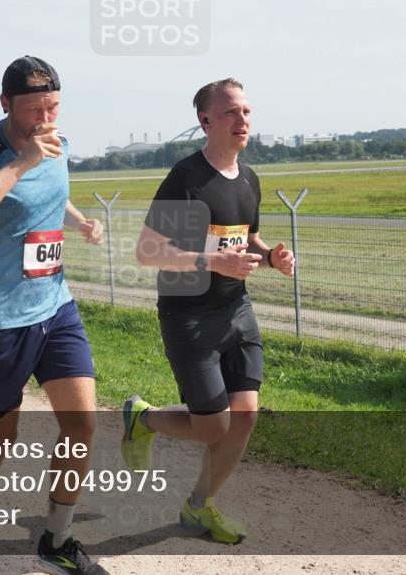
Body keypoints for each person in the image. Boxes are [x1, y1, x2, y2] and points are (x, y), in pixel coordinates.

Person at [0, 55, 108, 575]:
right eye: (35, 109)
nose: (46, 119)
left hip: (55, 304)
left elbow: (49, 198)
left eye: (54, 107)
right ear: (5, 104)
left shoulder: (58, 142)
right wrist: (21, 162)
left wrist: (79, 220)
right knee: (2, 436)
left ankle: (57, 540)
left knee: (82, 424)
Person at [125, 78, 295, 544]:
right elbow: (148, 251)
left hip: (236, 308)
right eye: (231, 113)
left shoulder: (248, 179)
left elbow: (247, 238)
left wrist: (271, 257)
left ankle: (200, 506)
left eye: (246, 112)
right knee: (211, 425)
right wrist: (213, 261)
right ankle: (144, 418)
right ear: (205, 121)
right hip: (189, 314)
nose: (243, 121)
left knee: (244, 415)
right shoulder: (188, 180)